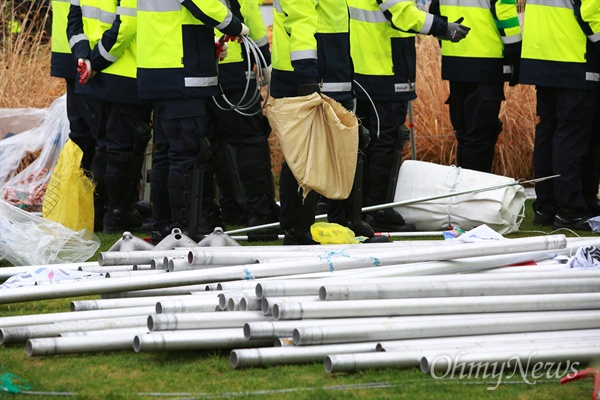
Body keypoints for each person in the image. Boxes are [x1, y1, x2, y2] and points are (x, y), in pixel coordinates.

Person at [271, 0, 388, 245]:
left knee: (343, 147)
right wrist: (307, 75)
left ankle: (344, 222)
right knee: (307, 153)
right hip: (310, 74)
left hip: (332, 72)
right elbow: (301, 20)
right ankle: (298, 230)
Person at [347, 0, 470, 232]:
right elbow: (402, 14)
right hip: (384, 66)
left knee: (365, 142)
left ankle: (361, 209)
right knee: (386, 140)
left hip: (362, 66)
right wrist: (443, 28)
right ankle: (377, 210)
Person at [136, 0, 249, 242]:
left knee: (167, 153)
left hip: (162, 68)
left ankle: (164, 227)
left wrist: (207, 49)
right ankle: (184, 226)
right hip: (181, 72)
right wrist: (235, 25)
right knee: (186, 153)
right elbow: (202, 3)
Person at [67, 0, 152, 234]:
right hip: (123, 73)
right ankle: (117, 215)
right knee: (123, 148)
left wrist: (84, 57)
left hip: (94, 76)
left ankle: (99, 213)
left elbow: (74, 23)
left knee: (104, 147)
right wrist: (96, 61)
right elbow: (127, 27)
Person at [201, 0, 279, 237]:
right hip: (232, 67)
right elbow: (251, 15)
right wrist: (264, 60)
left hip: (197, 67)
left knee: (211, 143)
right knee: (249, 140)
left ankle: (226, 209)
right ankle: (259, 211)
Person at [519, 0, 599, 231]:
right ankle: (570, 209)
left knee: (550, 133)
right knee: (572, 136)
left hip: (543, 55)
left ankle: (548, 206)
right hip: (574, 56)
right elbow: (590, 11)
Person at [430, 0, 522, 173]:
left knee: (464, 134)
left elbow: (435, 10)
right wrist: (515, 55)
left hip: (455, 60)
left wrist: (447, 41)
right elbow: (504, 11)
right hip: (487, 62)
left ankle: (463, 191)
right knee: (480, 136)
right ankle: (475, 194)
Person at [50, 0, 95, 172]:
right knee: (95, 134)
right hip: (89, 49)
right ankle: (85, 194)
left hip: (73, 45)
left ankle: (77, 193)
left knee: (82, 132)